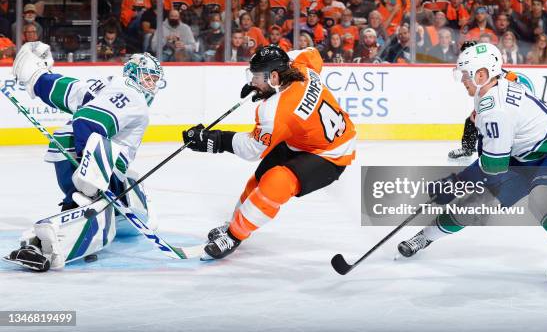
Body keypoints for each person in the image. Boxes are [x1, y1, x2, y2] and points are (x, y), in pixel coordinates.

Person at [398, 42, 547, 283]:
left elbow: (494, 166)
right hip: (522, 155)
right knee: (474, 205)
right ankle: (425, 236)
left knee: (541, 196)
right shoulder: (493, 83)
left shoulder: (497, 110)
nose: (462, 79)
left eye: (465, 74)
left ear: (481, 74)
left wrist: (456, 183)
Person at [182, 46, 356, 260]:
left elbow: (252, 149)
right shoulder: (302, 67)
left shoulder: (275, 110)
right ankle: (235, 223)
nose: (253, 82)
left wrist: (216, 140)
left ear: (274, 76)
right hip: (301, 139)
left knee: (276, 182)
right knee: (257, 181)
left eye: (256, 77)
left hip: (331, 153)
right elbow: (312, 52)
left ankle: (234, 235)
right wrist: (267, 82)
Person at [5, 44, 163, 271]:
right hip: (85, 155)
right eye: (148, 78)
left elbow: (67, 90)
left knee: (130, 190)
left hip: (70, 150)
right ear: (134, 75)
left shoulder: (108, 84)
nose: (152, 85)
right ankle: (45, 244)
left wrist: (37, 79)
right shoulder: (133, 95)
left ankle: (85, 205)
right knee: (99, 219)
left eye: (155, 80)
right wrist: (90, 174)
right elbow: (89, 122)